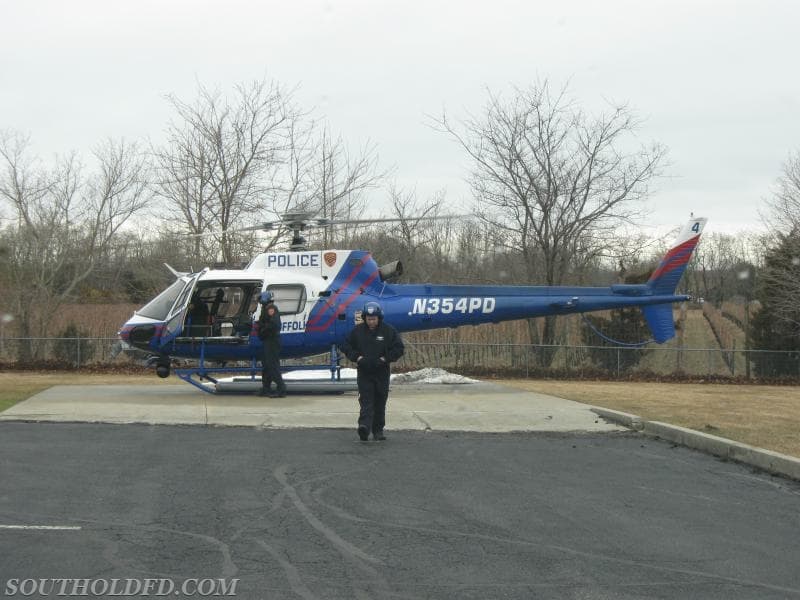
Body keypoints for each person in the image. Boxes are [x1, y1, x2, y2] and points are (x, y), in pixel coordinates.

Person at [341, 301, 404, 441]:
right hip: (364, 372)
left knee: (380, 401)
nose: (371, 322)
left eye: (374, 319)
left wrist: (385, 359)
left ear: (379, 318)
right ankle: (364, 427)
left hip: (382, 372)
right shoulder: (357, 331)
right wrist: (357, 357)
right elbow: (345, 345)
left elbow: (399, 348)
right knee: (366, 400)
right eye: (369, 319)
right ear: (364, 318)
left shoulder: (388, 331)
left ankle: (378, 430)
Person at [257, 291, 287, 398]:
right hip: (267, 340)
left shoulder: (271, 308)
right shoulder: (265, 308)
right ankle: (266, 388)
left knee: (272, 365)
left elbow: (274, 324)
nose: (260, 302)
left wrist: (263, 329)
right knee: (266, 365)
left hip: (272, 340)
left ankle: (281, 389)